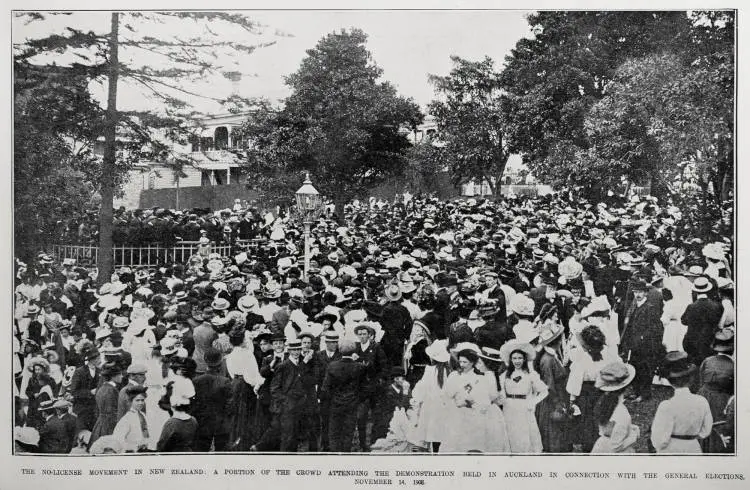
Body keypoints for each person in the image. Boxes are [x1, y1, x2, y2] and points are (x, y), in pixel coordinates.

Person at [440, 347, 509, 453]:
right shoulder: (455, 376)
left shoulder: (482, 377)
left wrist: (472, 402)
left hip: (475, 414)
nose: (462, 364)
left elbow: (487, 397)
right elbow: (446, 395)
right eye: (460, 361)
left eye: (465, 362)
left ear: (472, 363)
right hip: (459, 412)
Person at [567, 325, 617, 452]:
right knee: (600, 418)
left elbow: (575, 381)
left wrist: (572, 400)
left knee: (587, 421)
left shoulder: (582, 359)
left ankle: (589, 446)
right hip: (602, 391)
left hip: (586, 394)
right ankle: (600, 443)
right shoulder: (606, 357)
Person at [650, 352, 712, 453]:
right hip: (693, 448)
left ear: (669, 381)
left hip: (671, 450)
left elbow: (658, 440)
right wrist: (691, 436)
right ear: (691, 379)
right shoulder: (702, 402)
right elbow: (706, 430)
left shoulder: (666, 406)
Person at [498, 340, 546, 453]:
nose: (517, 361)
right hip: (509, 409)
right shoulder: (505, 375)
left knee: (524, 435)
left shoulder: (531, 375)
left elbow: (544, 391)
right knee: (511, 434)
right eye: (514, 358)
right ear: (510, 359)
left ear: (524, 359)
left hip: (524, 408)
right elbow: (500, 392)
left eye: (520, 358)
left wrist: (533, 402)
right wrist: (502, 400)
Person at [619, 279, 662, 402]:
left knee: (645, 369)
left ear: (646, 293)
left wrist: (643, 337)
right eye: (635, 292)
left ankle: (644, 393)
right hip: (633, 343)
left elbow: (655, 328)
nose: (637, 295)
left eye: (640, 292)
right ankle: (637, 391)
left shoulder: (650, 308)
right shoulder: (634, 306)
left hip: (645, 345)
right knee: (635, 366)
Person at [321, 340, 368, 452]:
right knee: (348, 431)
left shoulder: (332, 366)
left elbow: (325, 388)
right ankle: (346, 453)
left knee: (334, 431)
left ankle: (334, 453)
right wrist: (357, 399)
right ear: (353, 351)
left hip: (335, 404)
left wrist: (332, 399)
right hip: (352, 404)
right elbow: (365, 388)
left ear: (340, 350)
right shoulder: (359, 367)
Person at [534, 323, 572, 453]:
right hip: (552, 401)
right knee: (553, 434)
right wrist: (557, 404)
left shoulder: (552, 356)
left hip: (559, 397)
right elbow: (549, 385)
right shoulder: (548, 360)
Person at [270, 339, 313, 452]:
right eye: (294, 349)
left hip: (300, 405)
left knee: (296, 436)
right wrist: (286, 402)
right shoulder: (283, 366)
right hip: (287, 408)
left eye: (298, 349)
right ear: (289, 351)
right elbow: (274, 389)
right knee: (287, 437)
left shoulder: (303, 364)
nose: (296, 352)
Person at [409, 338, 451, 453]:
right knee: (443, 434)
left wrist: (415, 399)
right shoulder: (450, 371)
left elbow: (421, 388)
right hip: (446, 407)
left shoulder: (430, 371)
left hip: (431, 408)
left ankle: (434, 453)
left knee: (433, 433)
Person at [697, 329, 734, 453]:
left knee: (703, 423)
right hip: (722, 399)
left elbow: (701, 380)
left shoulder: (707, 361)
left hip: (704, 395)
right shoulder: (733, 365)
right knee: (718, 425)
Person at [353, 323, 388, 452]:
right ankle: (363, 443)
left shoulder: (376, 348)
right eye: (360, 334)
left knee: (376, 415)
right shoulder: (355, 348)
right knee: (361, 417)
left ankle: (375, 440)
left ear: (369, 335)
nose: (362, 336)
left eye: (364, 334)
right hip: (360, 389)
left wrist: (379, 381)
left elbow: (384, 367)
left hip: (374, 387)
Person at [591, 362, 639, 453]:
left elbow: (609, 427)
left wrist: (630, 427)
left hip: (601, 445)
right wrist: (633, 436)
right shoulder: (622, 413)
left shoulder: (603, 403)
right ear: (627, 387)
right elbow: (616, 446)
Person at [192, 347, 234, 452]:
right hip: (221, 423)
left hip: (202, 422)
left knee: (201, 451)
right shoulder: (225, 381)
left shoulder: (196, 381)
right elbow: (230, 404)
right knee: (222, 452)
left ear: (206, 362)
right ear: (220, 363)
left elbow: (194, 403)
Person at [681, 276, 723, 365]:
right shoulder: (717, 306)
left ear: (695, 291)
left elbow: (683, 321)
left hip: (693, 342)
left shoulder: (691, 307)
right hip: (710, 341)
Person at [313, 331, 341, 451]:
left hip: (337, 393)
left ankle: (335, 445)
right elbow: (316, 375)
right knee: (324, 421)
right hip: (324, 394)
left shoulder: (341, 355)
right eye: (331, 342)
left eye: (335, 342)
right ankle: (326, 445)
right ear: (326, 343)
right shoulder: (319, 355)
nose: (333, 344)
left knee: (336, 420)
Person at [89, 362, 123, 447]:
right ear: (113, 376)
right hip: (109, 425)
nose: (122, 377)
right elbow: (111, 412)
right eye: (120, 374)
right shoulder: (111, 390)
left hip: (101, 423)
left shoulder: (102, 388)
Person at [69, 346, 101, 432]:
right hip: (81, 409)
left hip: (94, 409)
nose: (100, 360)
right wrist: (90, 392)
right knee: (81, 433)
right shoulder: (80, 371)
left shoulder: (99, 371)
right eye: (98, 358)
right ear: (92, 359)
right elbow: (74, 391)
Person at [112, 386, 151, 452]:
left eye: (142, 400)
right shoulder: (127, 419)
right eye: (137, 400)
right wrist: (133, 447)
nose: (140, 403)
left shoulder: (143, 415)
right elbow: (117, 439)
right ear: (130, 401)